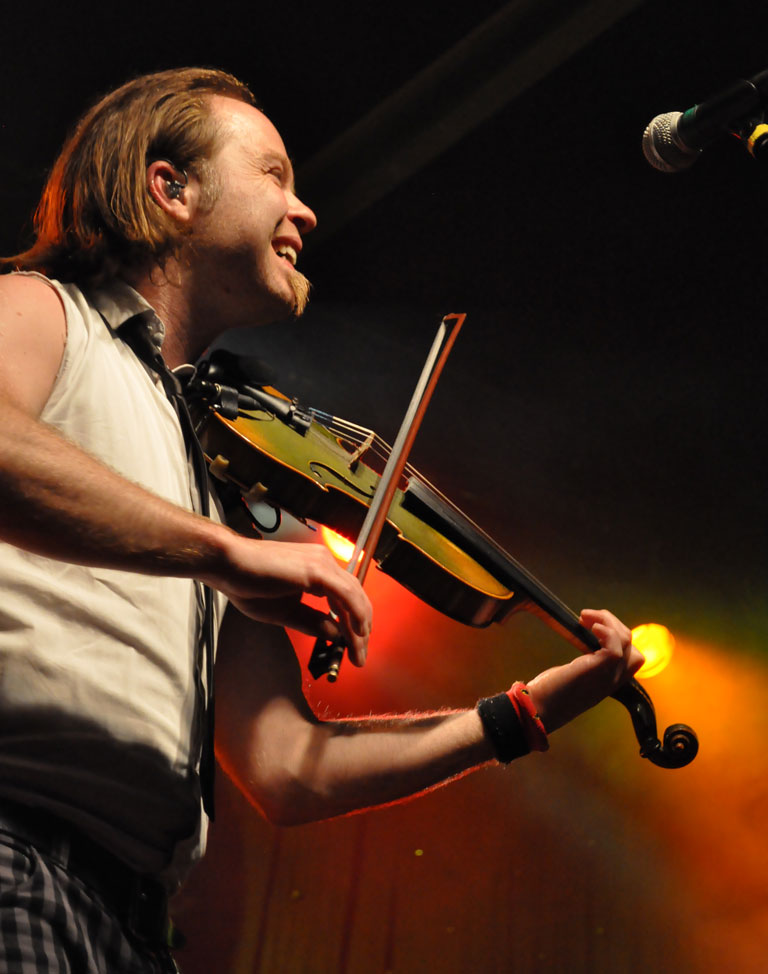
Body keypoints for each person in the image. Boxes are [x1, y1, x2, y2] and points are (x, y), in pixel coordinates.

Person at [0, 67, 643, 973]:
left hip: (132, 923)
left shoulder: (211, 476)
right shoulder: (43, 307)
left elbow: (287, 766)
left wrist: (518, 716)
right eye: (273, 174)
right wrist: (225, 556)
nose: (303, 211)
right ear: (170, 188)